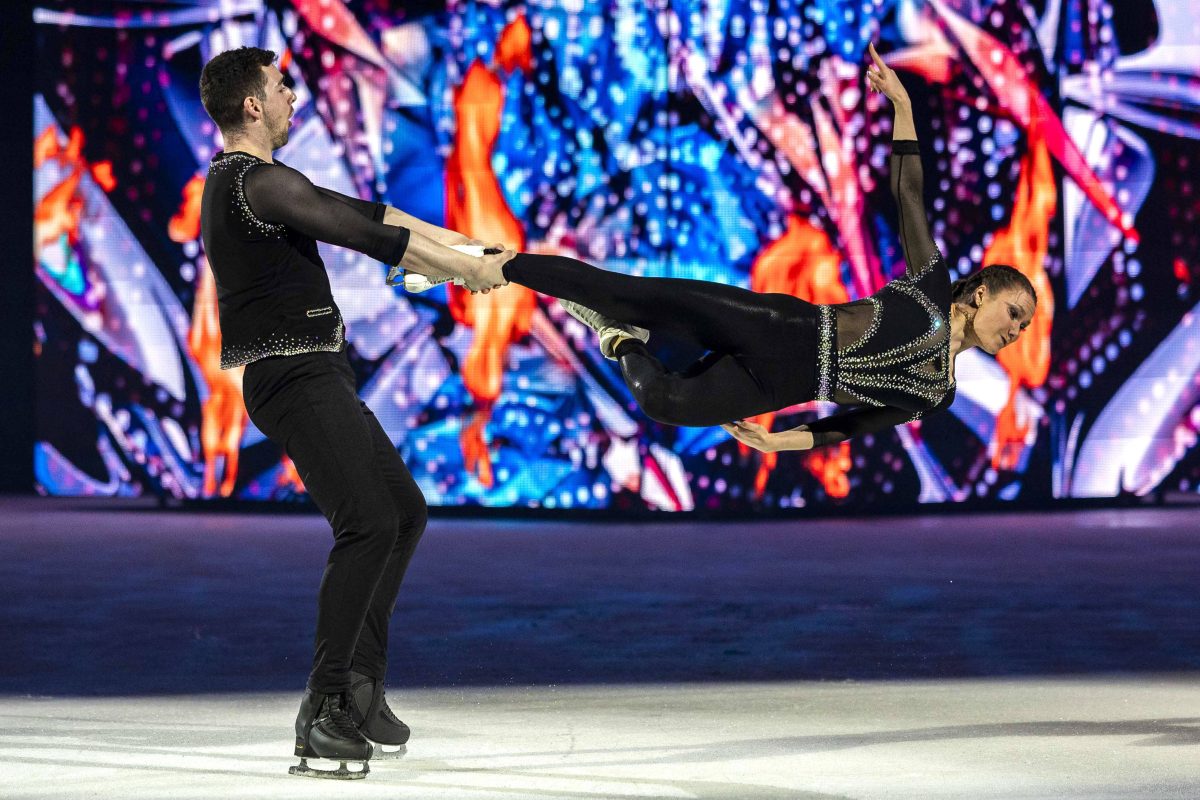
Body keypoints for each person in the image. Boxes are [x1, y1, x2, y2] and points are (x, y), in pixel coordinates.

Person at [452, 43, 1037, 453]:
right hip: (779, 328)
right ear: (981, 291)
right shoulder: (931, 287)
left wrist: (779, 440)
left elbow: (851, 427)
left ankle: (614, 334)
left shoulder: (937, 393)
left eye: (1024, 327)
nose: (1017, 332)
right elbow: (909, 193)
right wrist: (903, 108)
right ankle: (494, 263)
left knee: (666, 402)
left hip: (782, 388)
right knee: (626, 291)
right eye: (1015, 314)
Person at [197, 47, 512, 779]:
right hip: (291, 376)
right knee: (367, 522)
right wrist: (465, 271)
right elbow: (363, 237)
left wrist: (464, 247)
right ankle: (324, 707)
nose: (291, 98)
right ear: (252, 106)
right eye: (280, 88)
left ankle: (362, 687)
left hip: (319, 371)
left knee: (402, 511)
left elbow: (368, 213)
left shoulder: (269, 181)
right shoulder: (247, 182)